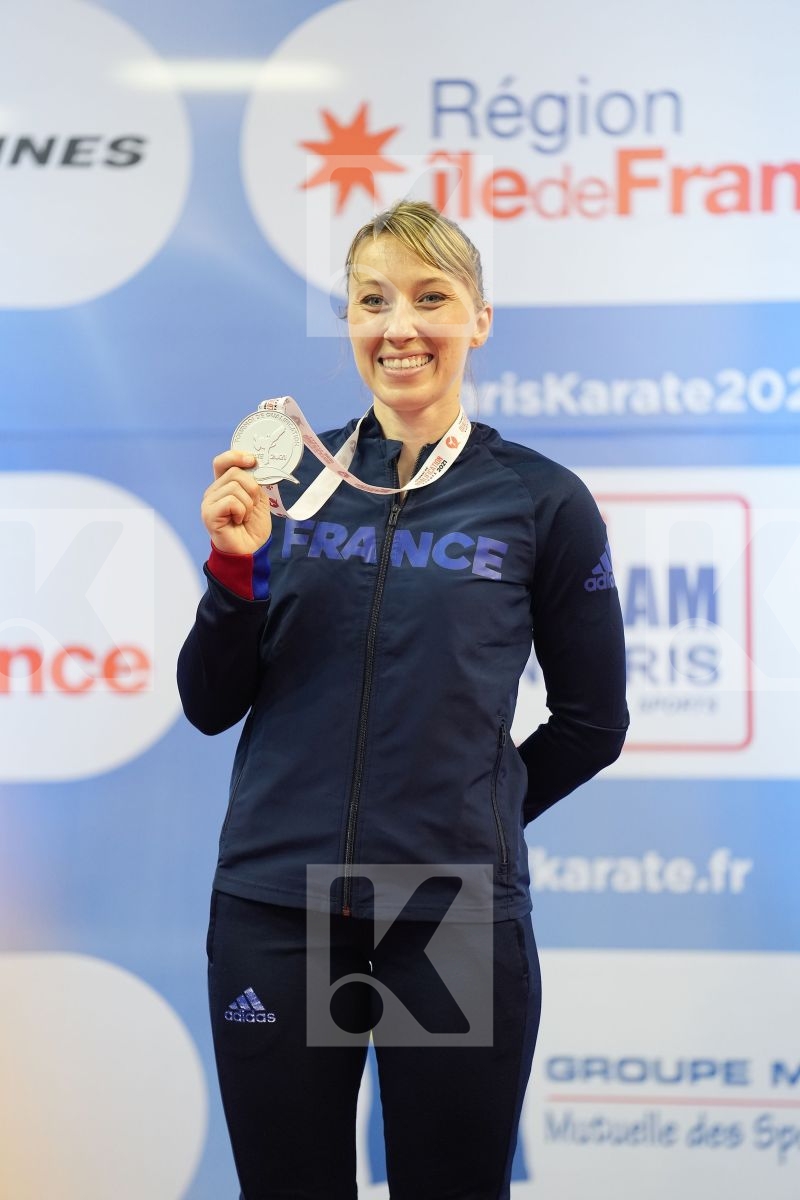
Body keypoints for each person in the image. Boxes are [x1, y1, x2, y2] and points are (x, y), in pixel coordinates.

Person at [177, 199, 629, 1200]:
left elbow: (593, 724)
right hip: (275, 906)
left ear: (478, 318)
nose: (399, 327)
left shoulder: (539, 500)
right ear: (347, 320)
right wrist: (231, 570)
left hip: (445, 913)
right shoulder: (284, 484)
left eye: (431, 298)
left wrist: (469, 816)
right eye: (371, 301)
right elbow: (210, 703)